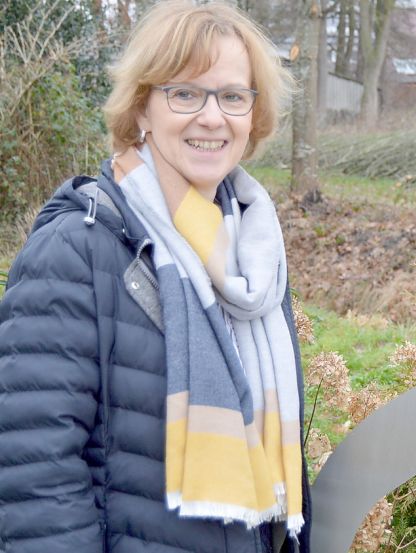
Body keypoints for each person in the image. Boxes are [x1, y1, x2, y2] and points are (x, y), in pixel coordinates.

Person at [0, 2, 311, 552]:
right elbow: (31, 471)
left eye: (233, 96)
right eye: (185, 93)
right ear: (142, 108)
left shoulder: (254, 260)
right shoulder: (78, 248)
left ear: (252, 116)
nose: (212, 117)